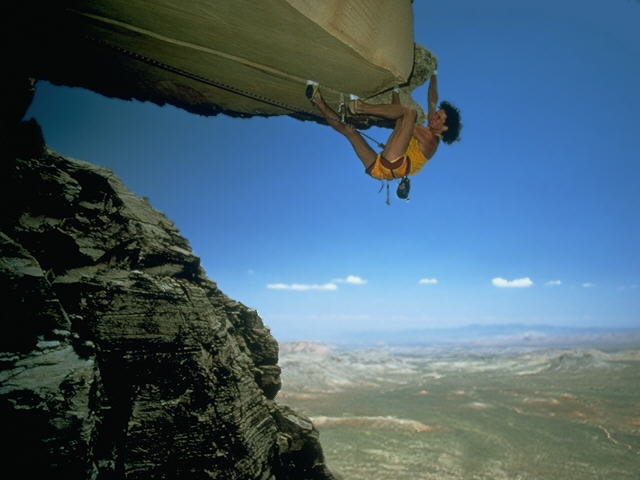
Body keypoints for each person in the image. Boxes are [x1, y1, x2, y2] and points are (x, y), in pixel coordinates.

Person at [306, 71, 462, 199]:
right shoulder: (431, 128)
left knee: (410, 113)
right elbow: (432, 101)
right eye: (436, 115)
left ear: (445, 128)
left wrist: (395, 99)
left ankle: (360, 107)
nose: (433, 117)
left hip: (394, 162)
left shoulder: (430, 140)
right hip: (379, 169)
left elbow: (401, 119)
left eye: (439, 118)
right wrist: (434, 74)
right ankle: (317, 99)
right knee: (350, 132)